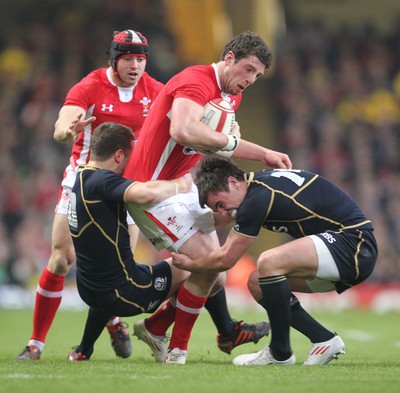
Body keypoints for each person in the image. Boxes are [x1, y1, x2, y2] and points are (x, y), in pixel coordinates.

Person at [123, 31, 292, 364]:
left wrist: (259, 154)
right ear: (229, 58)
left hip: (181, 186)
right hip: (151, 190)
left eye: (257, 76)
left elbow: (219, 141)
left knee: (219, 274)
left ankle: (156, 328)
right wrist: (255, 150)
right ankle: (177, 349)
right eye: (247, 70)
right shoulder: (195, 81)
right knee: (211, 269)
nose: (251, 80)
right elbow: (183, 131)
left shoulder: (231, 96)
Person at [16, 30, 164, 360]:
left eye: (141, 59)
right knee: (61, 259)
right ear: (114, 59)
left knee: (118, 264)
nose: (136, 66)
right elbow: (63, 122)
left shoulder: (155, 91)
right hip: (82, 183)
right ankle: (36, 343)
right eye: (129, 58)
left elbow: (180, 119)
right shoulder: (90, 85)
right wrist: (65, 131)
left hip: (127, 189)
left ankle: (107, 324)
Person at [172, 156, 378, 366]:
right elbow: (223, 220)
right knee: (257, 281)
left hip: (353, 244)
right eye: (218, 208)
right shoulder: (257, 188)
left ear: (233, 182)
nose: (224, 212)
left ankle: (280, 352)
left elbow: (226, 259)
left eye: (221, 204)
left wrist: (190, 265)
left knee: (269, 261)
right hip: (345, 252)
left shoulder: (257, 198)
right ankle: (323, 339)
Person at [64, 122, 198, 360]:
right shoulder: (103, 182)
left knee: (109, 272)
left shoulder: (81, 177)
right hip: (126, 292)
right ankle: (165, 333)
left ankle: (83, 350)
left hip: (89, 288)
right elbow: (147, 194)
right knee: (200, 264)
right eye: (131, 156)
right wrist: (181, 185)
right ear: (118, 155)